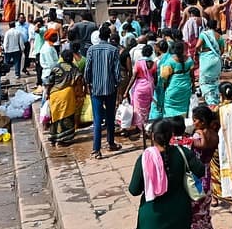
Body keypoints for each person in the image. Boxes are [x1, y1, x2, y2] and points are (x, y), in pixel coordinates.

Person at [179, 105, 220, 229]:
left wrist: (187, 139)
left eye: (195, 120)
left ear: (202, 121)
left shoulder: (200, 135)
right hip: (207, 176)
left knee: (196, 216)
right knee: (204, 214)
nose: (193, 122)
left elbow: (199, 145)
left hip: (196, 180)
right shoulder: (215, 134)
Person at [85, 26, 123, 160]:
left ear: (99, 36)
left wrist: (88, 84)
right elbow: (117, 72)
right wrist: (118, 84)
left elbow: (87, 70)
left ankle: (96, 150)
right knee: (110, 118)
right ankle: (111, 143)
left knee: (97, 120)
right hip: (110, 89)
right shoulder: (114, 50)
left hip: (96, 89)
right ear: (108, 36)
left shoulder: (91, 50)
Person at [46, 48, 85, 146]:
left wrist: (47, 93)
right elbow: (79, 82)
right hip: (67, 95)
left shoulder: (56, 68)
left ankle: (54, 138)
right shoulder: (74, 69)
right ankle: (63, 139)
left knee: (55, 117)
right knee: (67, 117)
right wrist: (80, 95)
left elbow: (49, 82)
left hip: (54, 95)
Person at [126, 57, 156, 144]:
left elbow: (133, 77)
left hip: (139, 89)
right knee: (147, 109)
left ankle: (141, 129)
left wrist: (127, 90)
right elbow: (155, 78)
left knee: (138, 110)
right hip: (149, 88)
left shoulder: (139, 64)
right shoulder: (154, 64)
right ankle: (147, 127)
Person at [197, 19, 223, 107]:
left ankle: (210, 102)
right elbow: (222, 50)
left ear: (207, 26)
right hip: (216, 61)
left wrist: (200, 53)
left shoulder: (204, 34)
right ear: (216, 26)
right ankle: (215, 99)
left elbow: (197, 46)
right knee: (215, 82)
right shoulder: (219, 36)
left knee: (205, 82)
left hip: (206, 60)